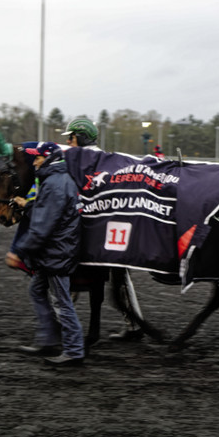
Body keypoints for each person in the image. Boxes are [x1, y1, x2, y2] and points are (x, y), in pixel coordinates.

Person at [61, 117, 144, 341]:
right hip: (117, 230)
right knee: (121, 276)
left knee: (71, 270)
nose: (69, 142)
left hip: (95, 231)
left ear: (79, 137)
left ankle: (62, 321)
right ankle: (134, 324)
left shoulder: (80, 161)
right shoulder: (107, 159)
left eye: (70, 138)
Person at [5, 141, 86, 366]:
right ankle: (47, 341)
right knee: (37, 290)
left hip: (56, 253)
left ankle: (74, 351)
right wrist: (28, 204)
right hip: (56, 251)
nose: (35, 162)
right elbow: (47, 210)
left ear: (49, 159)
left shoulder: (55, 184)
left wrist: (18, 252)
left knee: (62, 302)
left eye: (38, 158)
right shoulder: (55, 180)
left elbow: (42, 227)